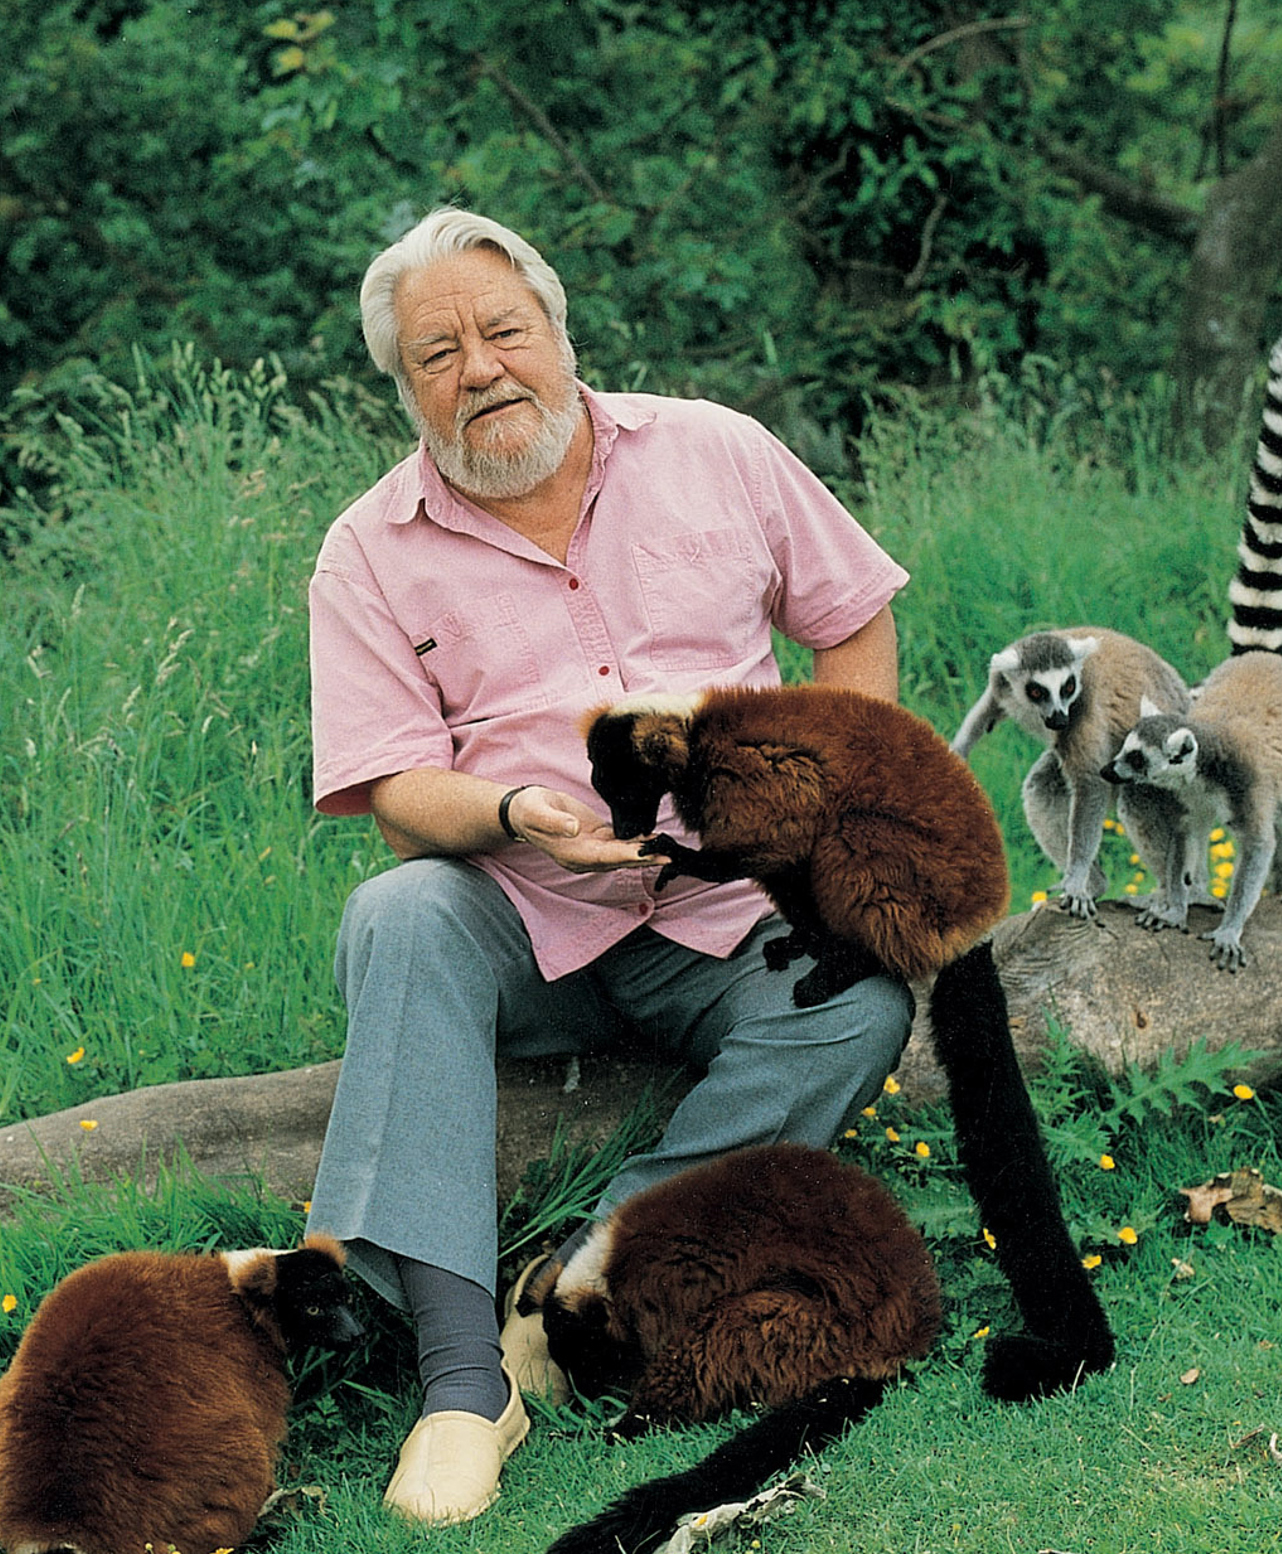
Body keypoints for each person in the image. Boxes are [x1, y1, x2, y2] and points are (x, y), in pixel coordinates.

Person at [306, 209, 913, 1525]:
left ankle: (584, 1281)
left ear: (559, 330)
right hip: (521, 918)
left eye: (502, 330)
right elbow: (399, 797)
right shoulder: (368, 548)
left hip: (727, 911)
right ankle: (465, 1387)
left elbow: (852, 620)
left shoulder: (717, 449)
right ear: (404, 386)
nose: (480, 366)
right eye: (437, 353)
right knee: (398, 913)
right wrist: (521, 810)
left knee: (857, 997)